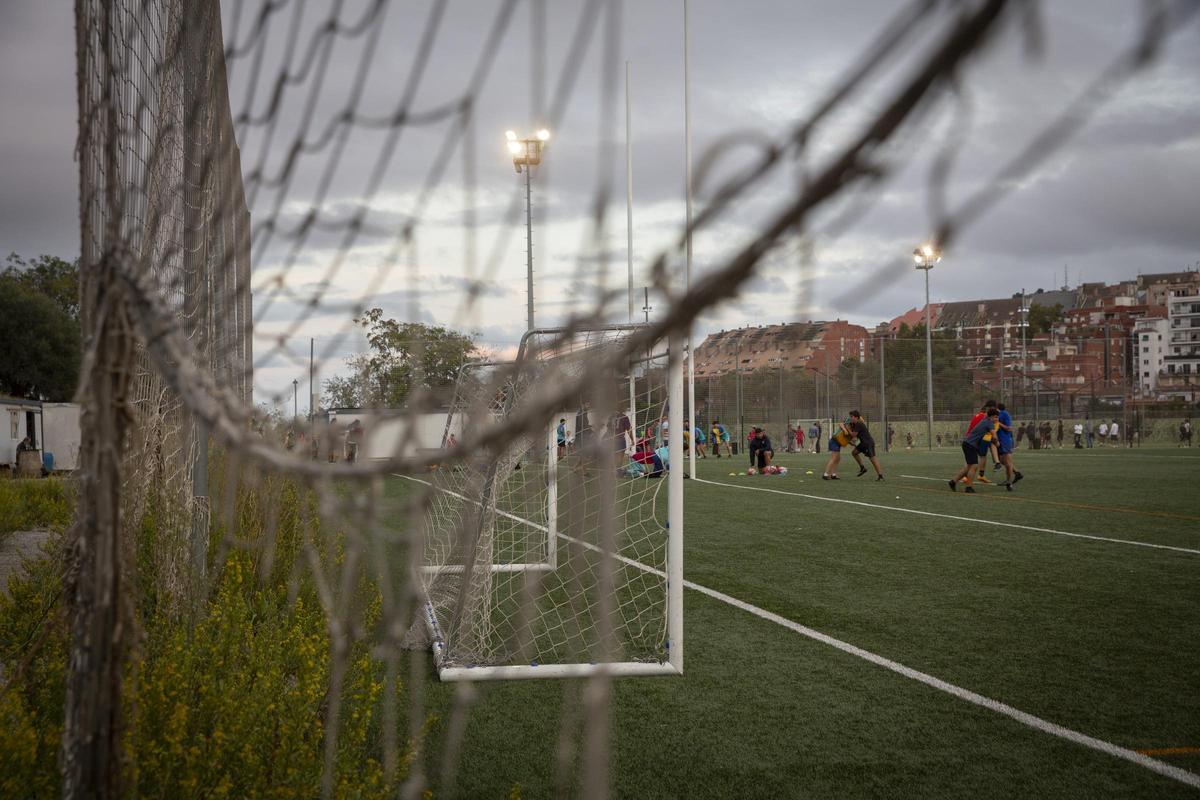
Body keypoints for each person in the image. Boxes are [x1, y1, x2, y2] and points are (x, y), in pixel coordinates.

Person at [949, 407, 999, 493]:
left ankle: (953, 481)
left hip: (967, 444)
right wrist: (997, 443)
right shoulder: (989, 423)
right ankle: (969, 487)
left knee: (969, 466)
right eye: (996, 417)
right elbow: (994, 436)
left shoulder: (985, 420)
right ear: (992, 417)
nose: (997, 419)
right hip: (970, 445)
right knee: (974, 466)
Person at [847, 411, 884, 481]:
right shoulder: (855, 424)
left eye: (851, 417)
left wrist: (847, 429)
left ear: (856, 417)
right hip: (862, 443)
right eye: (850, 417)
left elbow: (853, 435)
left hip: (868, 443)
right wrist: (851, 442)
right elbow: (855, 437)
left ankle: (880, 476)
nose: (850, 418)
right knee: (854, 453)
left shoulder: (859, 423)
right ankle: (862, 467)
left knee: (872, 459)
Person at [995, 403, 1022, 490]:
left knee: (1007, 462)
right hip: (1000, 441)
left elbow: (1009, 428)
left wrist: (998, 423)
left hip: (1005, 440)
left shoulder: (1005, 414)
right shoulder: (997, 415)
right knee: (1002, 461)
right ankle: (1017, 473)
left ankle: (1009, 482)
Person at [822, 416, 855, 480]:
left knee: (838, 458)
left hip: (837, 443)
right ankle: (825, 474)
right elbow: (841, 424)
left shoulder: (851, 428)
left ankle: (833, 474)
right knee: (834, 458)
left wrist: (851, 443)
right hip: (834, 441)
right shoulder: (846, 424)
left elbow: (846, 438)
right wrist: (845, 429)